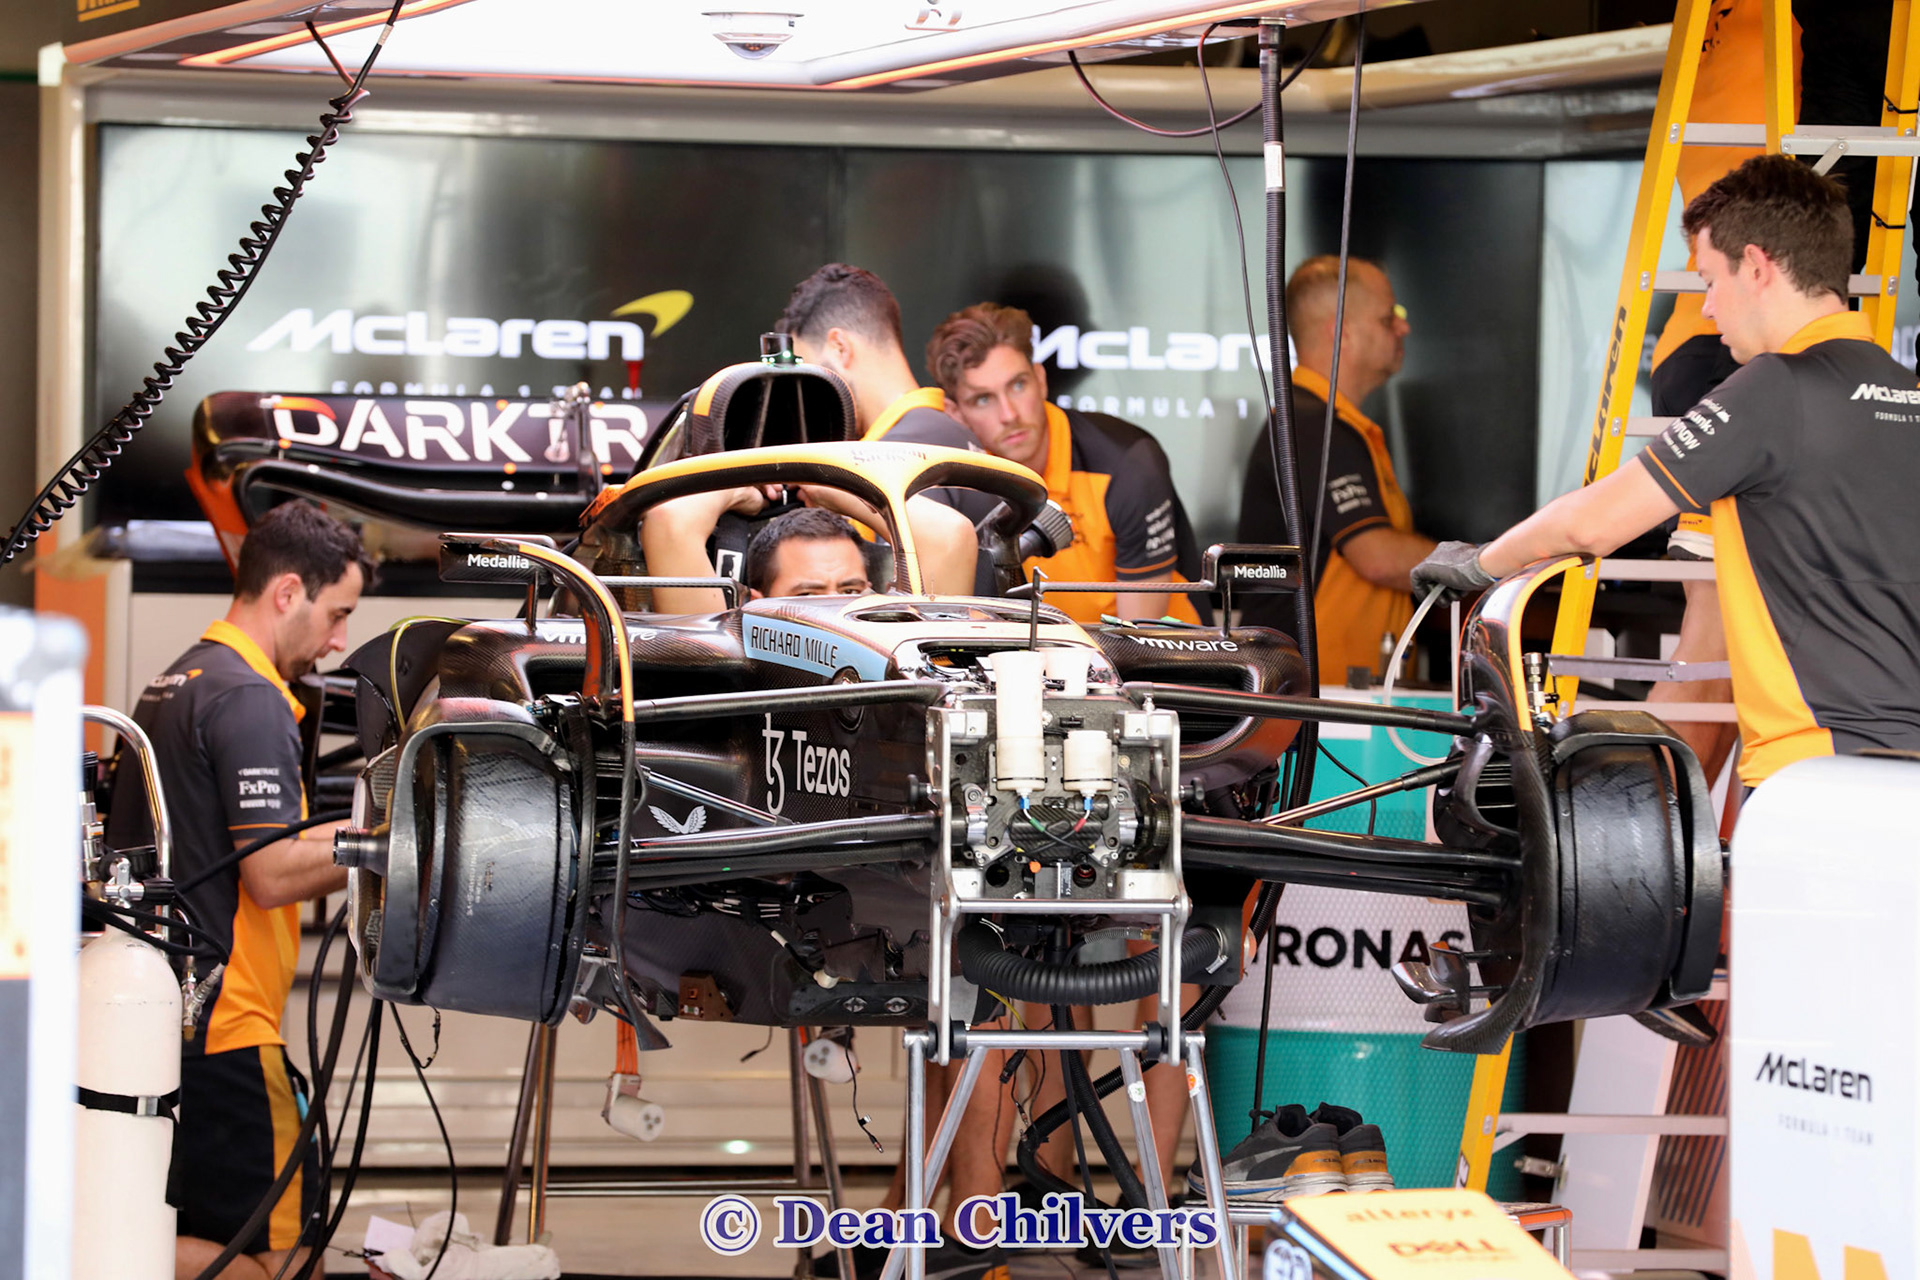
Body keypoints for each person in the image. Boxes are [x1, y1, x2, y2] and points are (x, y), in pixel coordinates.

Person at [1413, 154, 1920, 789]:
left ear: (1756, 266)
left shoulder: (1774, 388)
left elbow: (1593, 524)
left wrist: (1479, 563)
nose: (1706, 309)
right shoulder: (1907, 390)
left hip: (1815, 773)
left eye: (1709, 279)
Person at [104, 501, 371, 1280]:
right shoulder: (249, 696)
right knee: (285, 1259)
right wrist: (394, 842)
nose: (338, 641)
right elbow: (272, 871)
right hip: (231, 1029)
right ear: (287, 592)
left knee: (171, 1231)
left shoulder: (177, 678)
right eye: (338, 614)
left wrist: (359, 824)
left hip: (168, 1022)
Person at [926, 302, 1203, 625]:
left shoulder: (1128, 463)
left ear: (1040, 379)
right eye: (983, 399)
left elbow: (1140, 635)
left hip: (1148, 651)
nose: (1009, 414)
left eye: (1018, 385)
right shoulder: (954, 480)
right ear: (956, 413)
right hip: (1032, 651)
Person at [1237, 256, 1435, 686]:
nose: (1403, 327)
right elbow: (1377, 557)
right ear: (1341, 332)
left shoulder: (1331, 424)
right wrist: (1487, 563)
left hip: (1341, 694)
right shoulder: (1312, 424)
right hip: (1316, 701)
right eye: (1389, 317)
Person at [640, 482, 979, 612]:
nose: (835, 606)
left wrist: (841, 490)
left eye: (850, 590)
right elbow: (670, 522)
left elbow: (951, 536)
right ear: (755, 603)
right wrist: (737, 489)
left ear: (871, 589)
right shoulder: (730, 652)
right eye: (807, 594)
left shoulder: (892, 645)